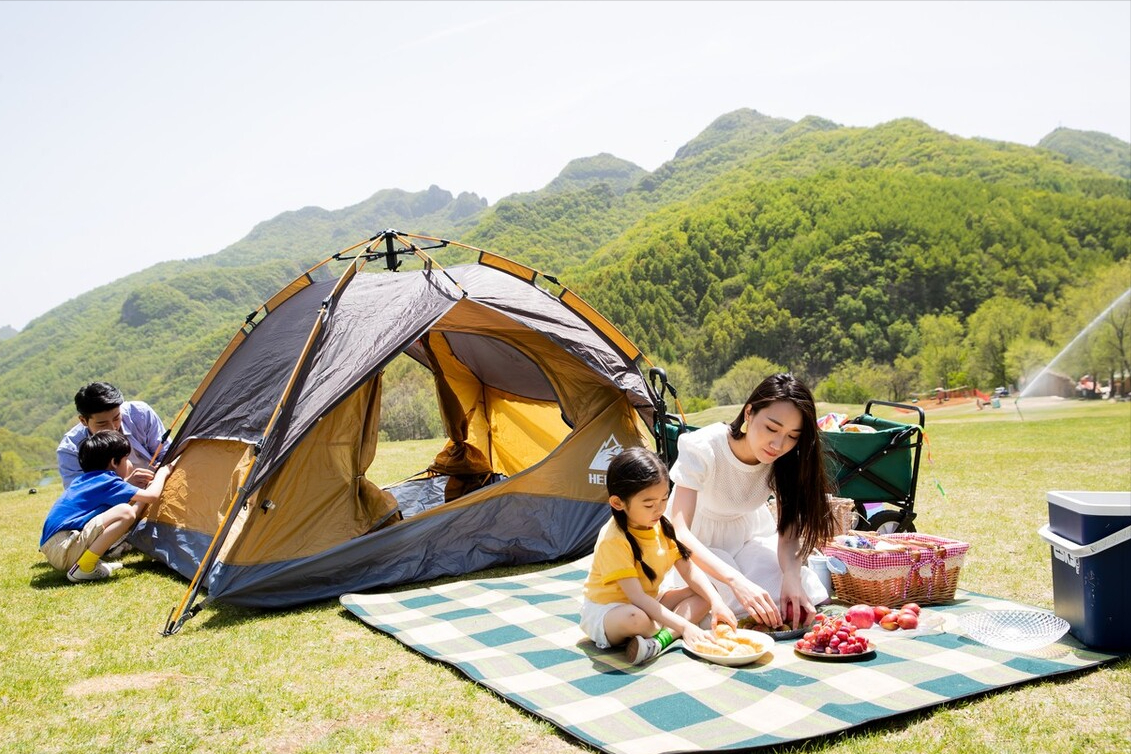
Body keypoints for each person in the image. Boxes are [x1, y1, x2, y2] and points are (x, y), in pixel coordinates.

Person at [665, 373, 837, 630]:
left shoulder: (784, 462)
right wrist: (736, 580)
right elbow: (678, 531)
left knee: (793, 590)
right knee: (729, 599)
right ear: (749, 413)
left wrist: (791, 575)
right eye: (772, 428)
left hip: (747, 536)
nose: (778, 444)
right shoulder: (704, 447)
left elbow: (788, 535)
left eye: (792, 436)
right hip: (693, 545)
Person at [580, 446, 735, 665]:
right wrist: (685, 625)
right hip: (610, 612)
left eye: (664, 499)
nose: (659, 509)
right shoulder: (614, 538)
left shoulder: (661, 525)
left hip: (650, 601)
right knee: (636, 619)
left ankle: (659, 640)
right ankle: (672, 629)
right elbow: (636, 598)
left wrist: (716, 602)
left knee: (706, 593)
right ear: (618, 503)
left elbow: (688, 569)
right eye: (649, 504)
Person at [40, 430, 172, 582]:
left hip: (56, 547)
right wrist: (162, 473)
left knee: (125, 512)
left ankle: (89, 562)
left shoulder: (85, 481)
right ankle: (85, 566)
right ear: (114, 462)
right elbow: (152, 497)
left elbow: (134, 508)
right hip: (66, 546)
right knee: (125, 512)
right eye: (126, 458)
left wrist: (138, 491)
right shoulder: (108, 481)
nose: (129, 464)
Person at [57, 382, 165, 490]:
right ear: (83, 420)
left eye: (116, 418)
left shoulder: (141, 414)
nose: (113, 427)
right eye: (102, 424)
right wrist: (125, 486)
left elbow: (166, 451)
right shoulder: (70, 450)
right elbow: (80, 494)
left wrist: (162, 468)